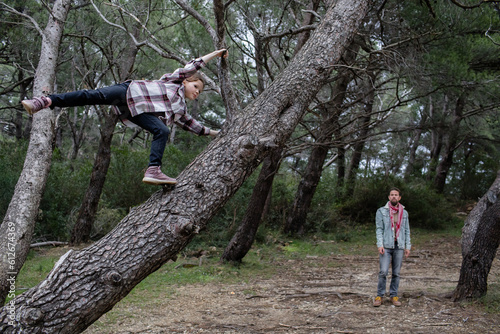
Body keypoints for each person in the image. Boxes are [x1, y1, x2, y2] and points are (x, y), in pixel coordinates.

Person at [21, 49, 228, 185]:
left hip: (135, 112)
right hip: (128, 91)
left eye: (199, 92)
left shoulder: (180, 109)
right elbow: (195, 64)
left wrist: (216, 133)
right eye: (195, 87)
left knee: (162, 130)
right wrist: (217, 54)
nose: (197, 92)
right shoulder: (174, 80)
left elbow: (194, 126)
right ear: (186, 82)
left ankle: (153, 170)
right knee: (91, 95)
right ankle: (45, 101)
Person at [373, 187, 411, 307]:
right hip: (386, 246)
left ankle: (393, 296)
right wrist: (380, 244)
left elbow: (407, 230)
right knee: (383, 271)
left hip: (399, 245)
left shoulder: (404, 213)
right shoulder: (381, 211)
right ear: (389, 197)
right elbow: (379, 229)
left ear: (399, 197)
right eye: (392, 195)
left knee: (396, 273)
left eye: (396, 195)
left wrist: (407, 246)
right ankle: (379, 296)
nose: (394, 196)